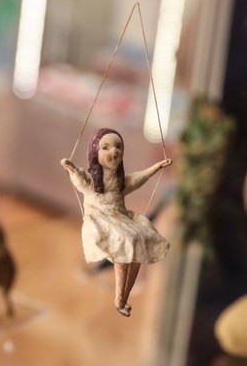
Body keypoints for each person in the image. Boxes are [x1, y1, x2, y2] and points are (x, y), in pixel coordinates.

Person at [60, 127, 172, 317]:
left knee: (142, 239)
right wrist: (71, 168)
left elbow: (139, 177)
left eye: (118, 147)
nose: (114, 151)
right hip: (100, 220)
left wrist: (158, 166)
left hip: (121, 218)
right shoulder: (93, 181)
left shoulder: (120, 181)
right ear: (95, 152)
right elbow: (80, 179)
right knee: (125, 240)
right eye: (106, 147)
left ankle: (124, 297)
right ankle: (119, 298)